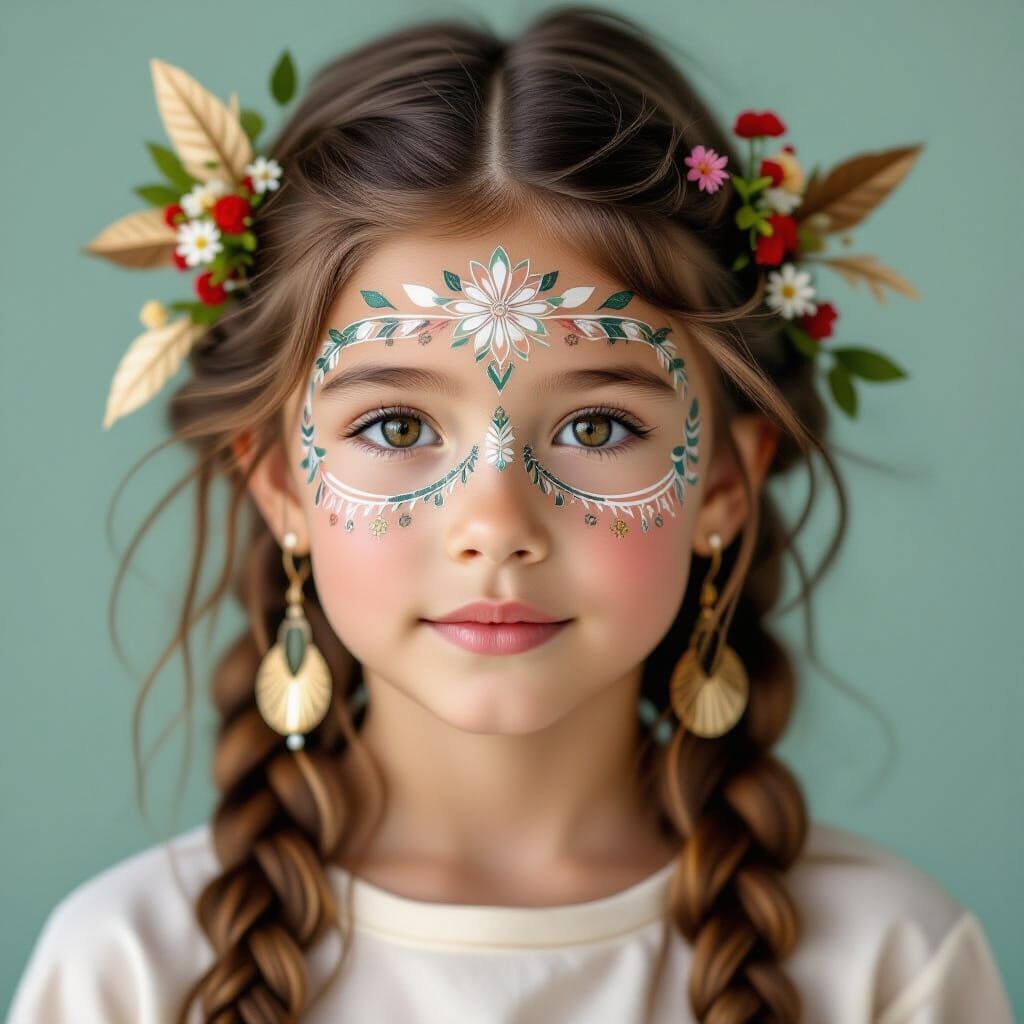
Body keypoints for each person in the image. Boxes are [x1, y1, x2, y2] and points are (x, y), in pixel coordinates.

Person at [7, 7, 1016, 1023]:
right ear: (280, 485)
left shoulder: (889, 968)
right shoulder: (126, 976)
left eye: (597, 425)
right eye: (398, 426)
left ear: (723, 484)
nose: (495, 523)